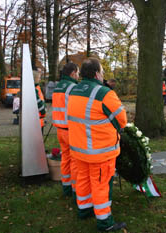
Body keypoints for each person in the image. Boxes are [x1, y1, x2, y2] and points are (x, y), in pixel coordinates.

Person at [67, 57, 127, 232]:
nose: (103, 75)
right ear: (96, 74)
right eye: (102, 71)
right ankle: (104, 221)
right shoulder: (104, 94)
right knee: (101, 185)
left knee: (83, 180)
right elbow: (122, 121)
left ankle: (84, 210)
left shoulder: (74, 90)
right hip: (100, 152)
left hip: (79, 150)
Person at [52, 62, 80, 197]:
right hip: (71, 130)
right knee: (75, 161)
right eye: (78, 73)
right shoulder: (73, 87)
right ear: (73, 72)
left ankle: (66, 187)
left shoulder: (58, 87)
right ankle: (75, 191)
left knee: (65, 159)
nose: (79, 76)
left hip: (60, 130)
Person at [33, 69, 46, 134]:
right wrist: (43, 112)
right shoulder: (34, 89)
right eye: (39, 78)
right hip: (38, 119)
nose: (40, 79)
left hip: (38, 119)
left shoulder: (36, 88)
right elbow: (39, 103)